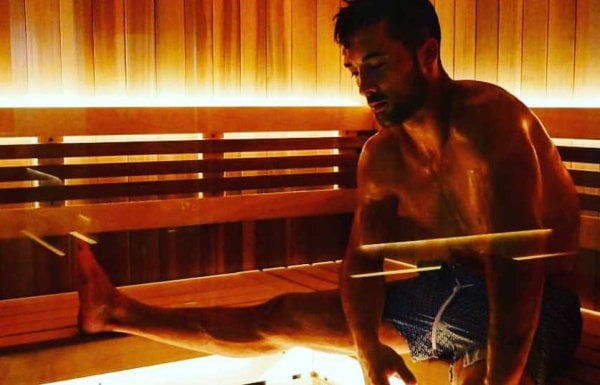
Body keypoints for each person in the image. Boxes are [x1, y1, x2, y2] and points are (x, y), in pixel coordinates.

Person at [75, 1, 582, 384]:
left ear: (427, 54)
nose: (365, 85)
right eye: (356, 70)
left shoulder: (489, 125)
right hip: (452, 293)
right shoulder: (384, 156)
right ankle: (115, 311)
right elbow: (361, 263)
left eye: (378, 64)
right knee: (280, 317)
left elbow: (519, 274)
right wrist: (367, 350)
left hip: (540, 305)